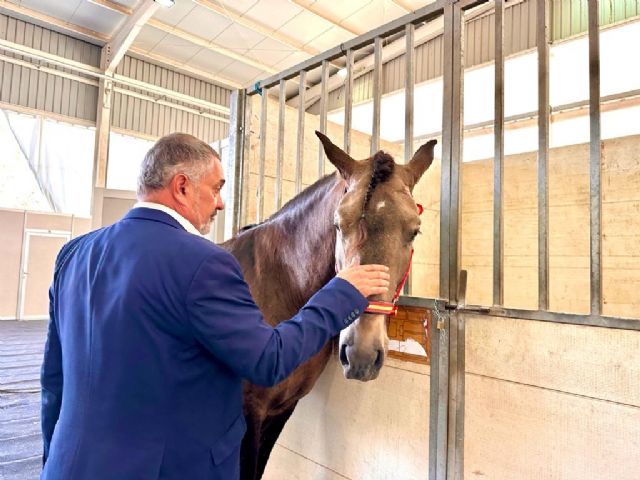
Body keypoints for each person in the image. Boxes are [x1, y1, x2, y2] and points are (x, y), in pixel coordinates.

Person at [41, 132, 390, 480]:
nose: (220, 203)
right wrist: (341, 291)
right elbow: (268, 361)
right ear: (181, 187)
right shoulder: (205, 263)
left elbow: (53, 382)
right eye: (216, 188)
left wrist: (53, 459)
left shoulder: (74, 254)